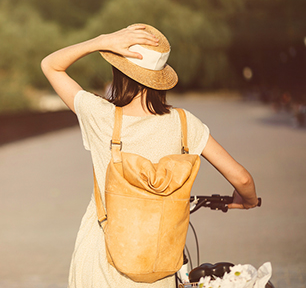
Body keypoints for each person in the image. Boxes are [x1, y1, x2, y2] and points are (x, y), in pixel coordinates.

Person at [41, 24, 259, 288]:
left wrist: (102, 41)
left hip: (100, 267)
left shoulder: (100, 115)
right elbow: (243, 179)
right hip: (158, 272)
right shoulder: (184, 123)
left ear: (120, 73)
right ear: (160, 78)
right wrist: (245, 201)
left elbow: (50, 65)